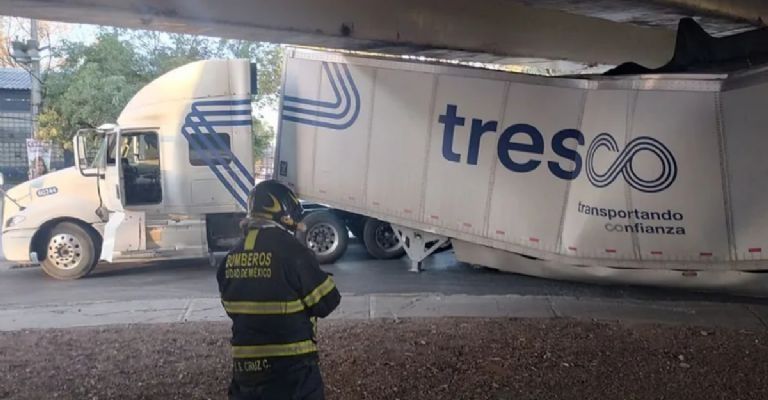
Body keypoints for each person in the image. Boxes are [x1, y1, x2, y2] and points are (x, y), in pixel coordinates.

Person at [217, 180, 341, 400]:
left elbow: (231, 307)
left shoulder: (230, 258)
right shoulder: (293, 252)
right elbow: (327, 301)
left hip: (246, 372)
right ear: (284, 212)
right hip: (293, 370)